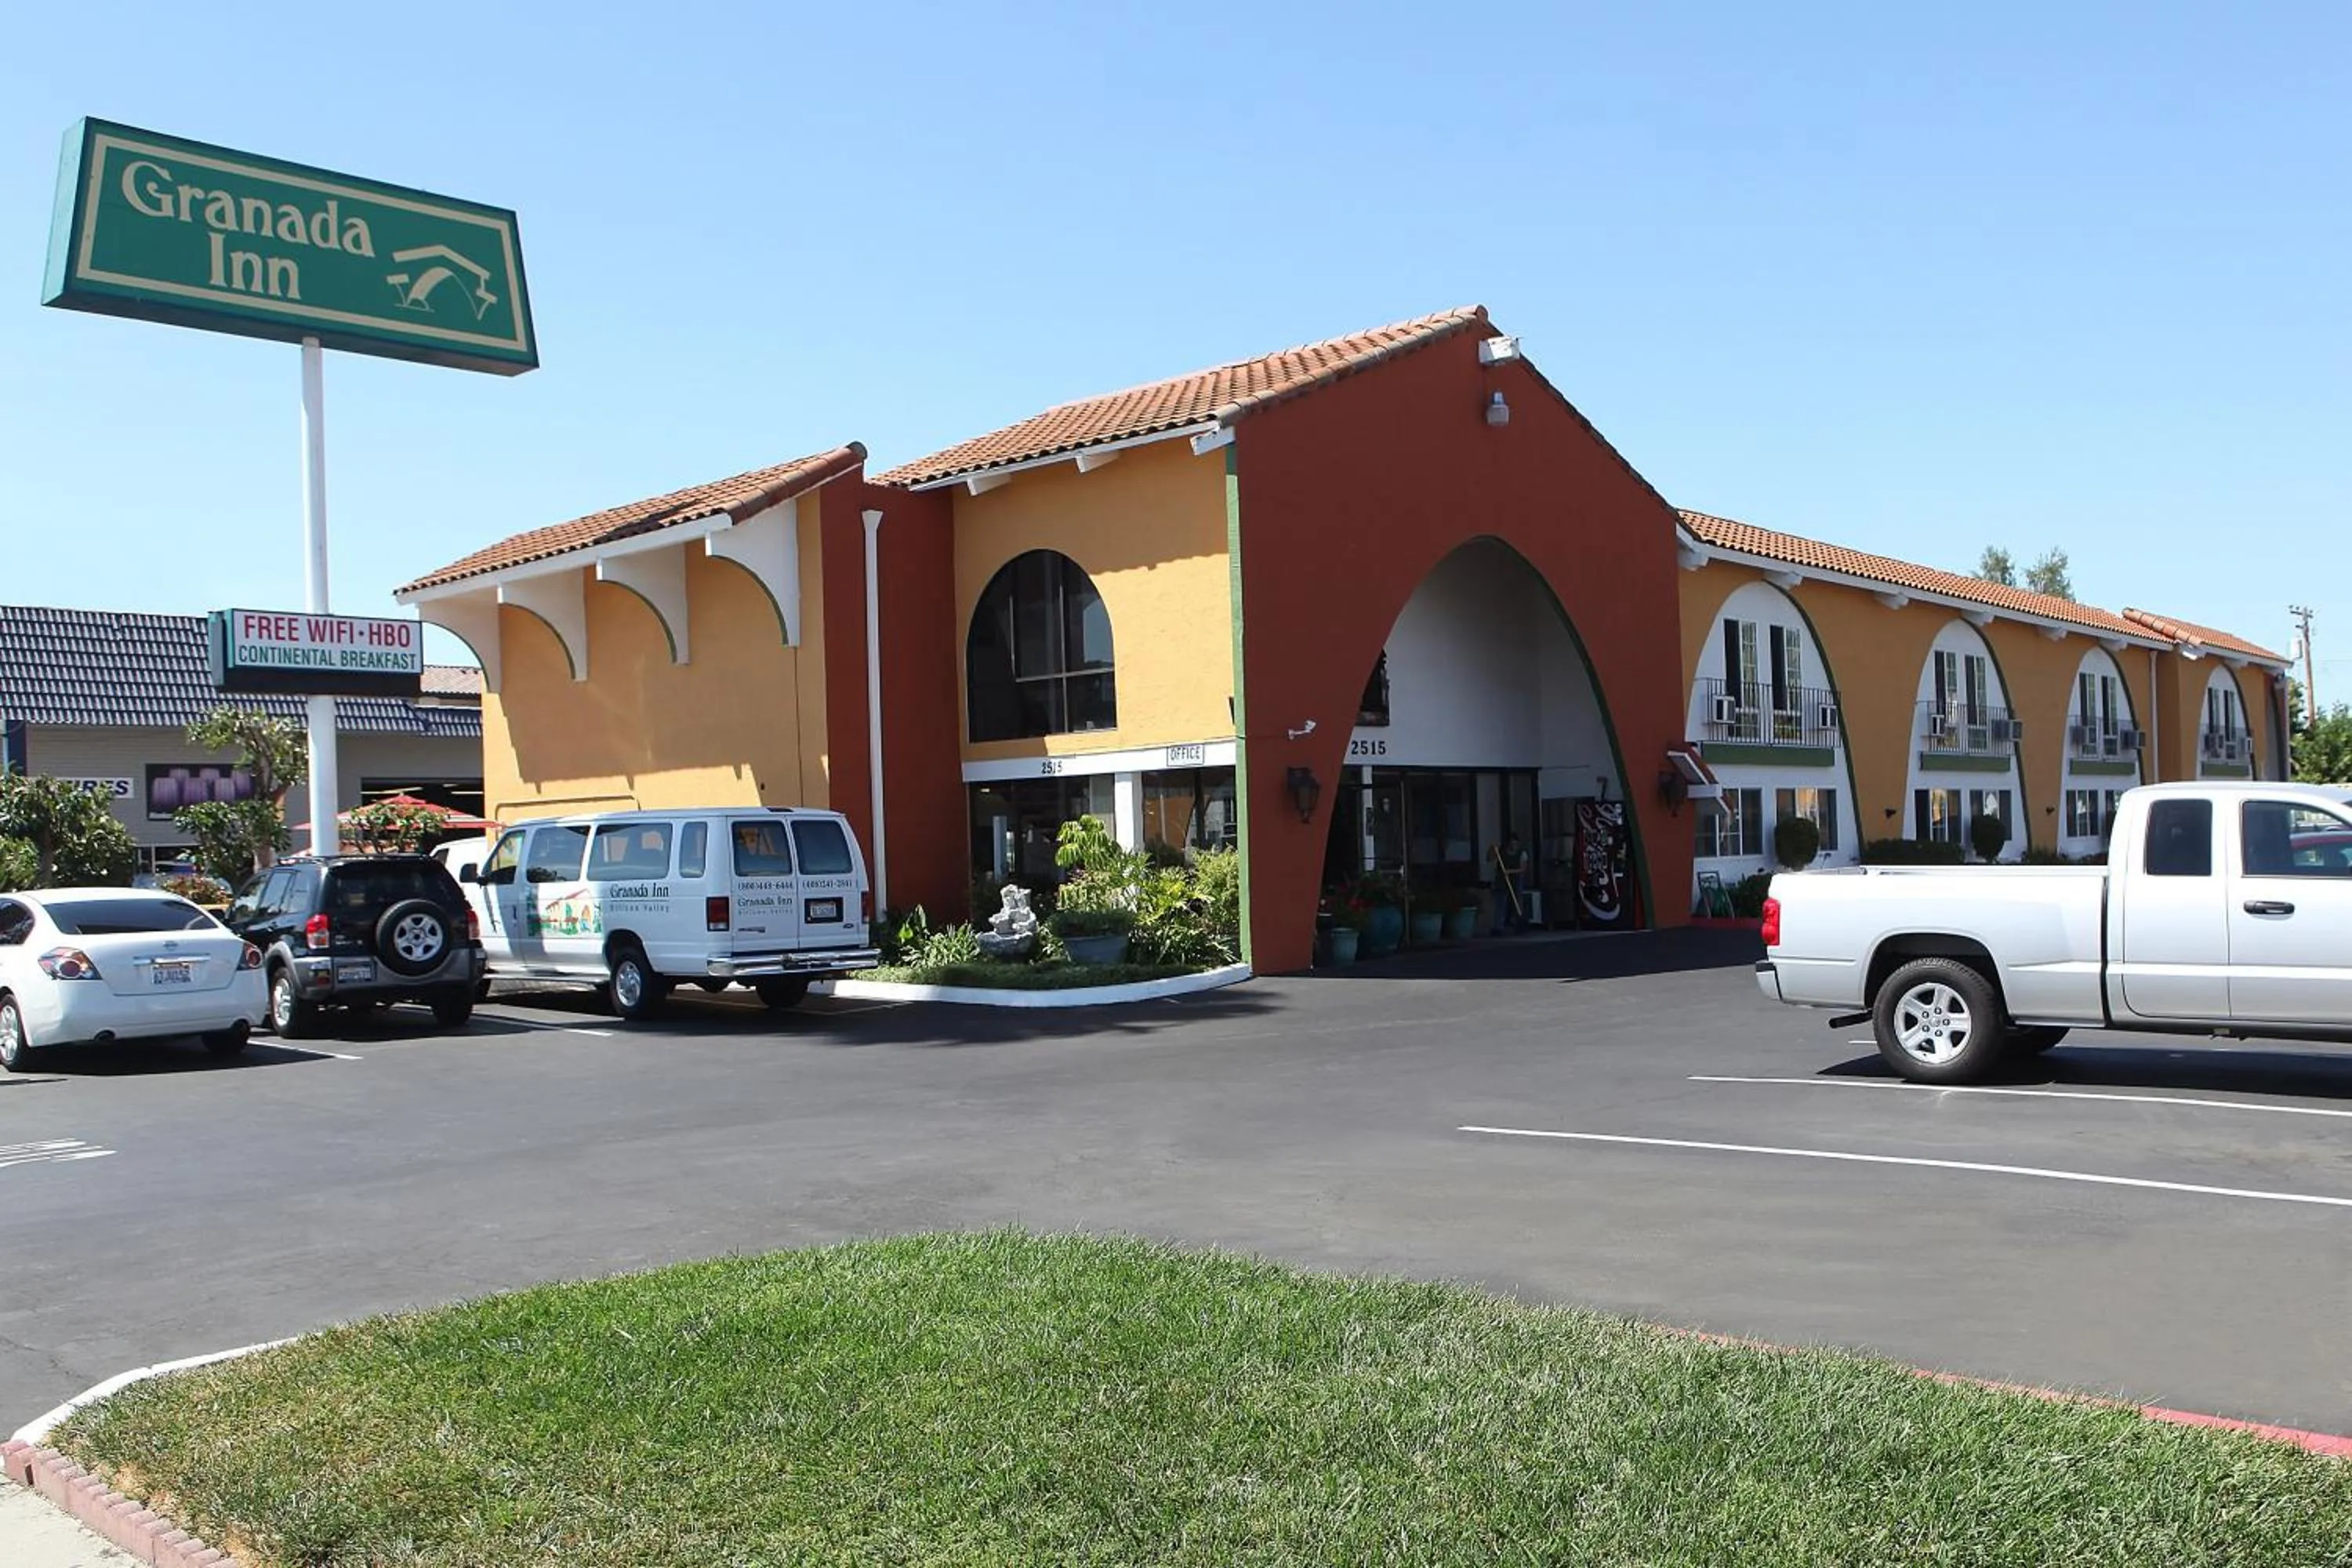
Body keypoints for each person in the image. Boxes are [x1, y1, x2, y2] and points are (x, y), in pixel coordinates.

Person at [1495, 833, 1532, 933]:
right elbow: (1489, 858)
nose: (1514, 846)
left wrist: (1509, 872)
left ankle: (1518, 923)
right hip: (1502, 881)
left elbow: (1522, 869)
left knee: (1517, 901)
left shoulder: (1522, 854)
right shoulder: (1502, 852)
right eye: (1512, 843)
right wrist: (1493, 850)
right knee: (1501, 902)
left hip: (1516, 879)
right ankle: (1499, 926)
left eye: (1516, 843)